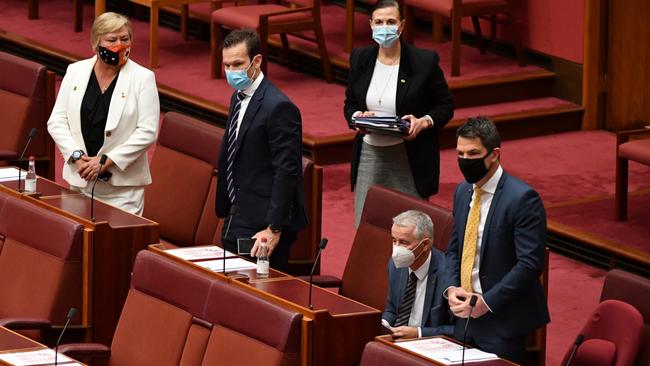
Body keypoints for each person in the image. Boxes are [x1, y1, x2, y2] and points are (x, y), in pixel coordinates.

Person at [445, 117, 550, 363]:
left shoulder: (522, 199)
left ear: (494, 155)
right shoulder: (462, 191)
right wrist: (451, 289)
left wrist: (487, 303)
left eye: (473, 153)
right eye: (460, 153)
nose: (465, 161)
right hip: (464, 316)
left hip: (503, 319)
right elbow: (453, 249)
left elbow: (529, 264)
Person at [343, 0, 454, 226]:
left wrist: (423, 122)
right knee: (368, 230)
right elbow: (350, 103)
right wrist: (357, 118)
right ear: (371, 25)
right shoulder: (360, 58)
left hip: (409, 157)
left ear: (401, 26)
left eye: (391, 22)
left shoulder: (423, 62)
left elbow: (445, 106)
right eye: (379, 22)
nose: (385, 27)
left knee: (411, 230)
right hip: (370, 155)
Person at [47, 12, 159, 215]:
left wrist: (107, 161)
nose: (119, 45)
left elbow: (147, 131)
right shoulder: (76, 71)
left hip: (122, 192)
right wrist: (77, 157)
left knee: (115, 245)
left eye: (125, 39)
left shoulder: (143, 78)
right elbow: (57, 121)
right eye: (112, 39)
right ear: (96, 42)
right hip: (79, 181)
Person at [215, 29, 307, 272]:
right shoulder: (239, 97)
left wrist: (274, 228)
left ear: (256, 61)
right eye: (226, 65)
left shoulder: (279, 107)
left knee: (257, 295)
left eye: (237, 64)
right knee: (230, 286)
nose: (231, 72)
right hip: (238, 212)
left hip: (263, 223)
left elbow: (287, 171)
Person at [383, 210, 453, 340]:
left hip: (430, 346)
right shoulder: (395, 265)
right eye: (394, 240)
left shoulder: (449, 274)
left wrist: (419, 333)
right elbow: (392, 309)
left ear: (425, 244)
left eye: (404, 242)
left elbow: (457, 330)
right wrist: (384, 323)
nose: (396, 249)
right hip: (398, 342)